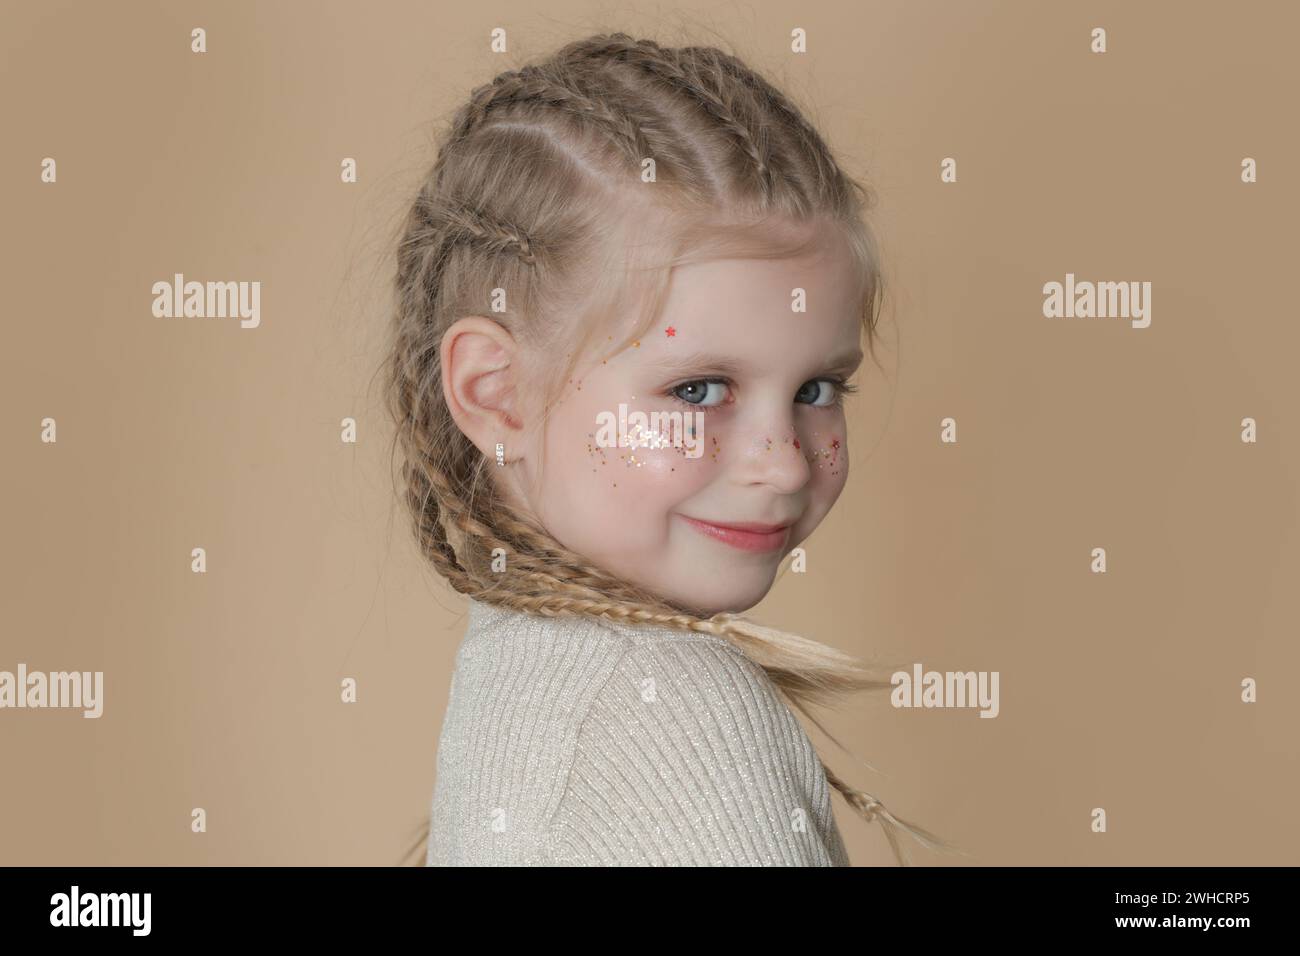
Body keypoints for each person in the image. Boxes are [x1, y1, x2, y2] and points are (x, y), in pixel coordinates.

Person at [384, 31, 949, 866]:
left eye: (816, 390)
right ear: (495, 393)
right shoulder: (677, 714)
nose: (786, 461)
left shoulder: (525, 675)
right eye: (698, 390)